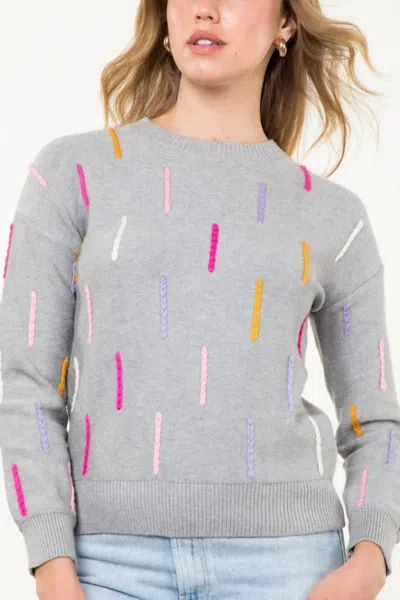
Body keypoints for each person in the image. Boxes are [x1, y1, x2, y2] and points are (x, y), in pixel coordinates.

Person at [1, 0, 399, 598]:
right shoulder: (73, 173)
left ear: (286, 23)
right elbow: (24, 383)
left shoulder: (333, 214)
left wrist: (369, 561)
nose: (205, 9)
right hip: (106, 565)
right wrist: (51, 564)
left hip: (290, 567)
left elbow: (375, 418)